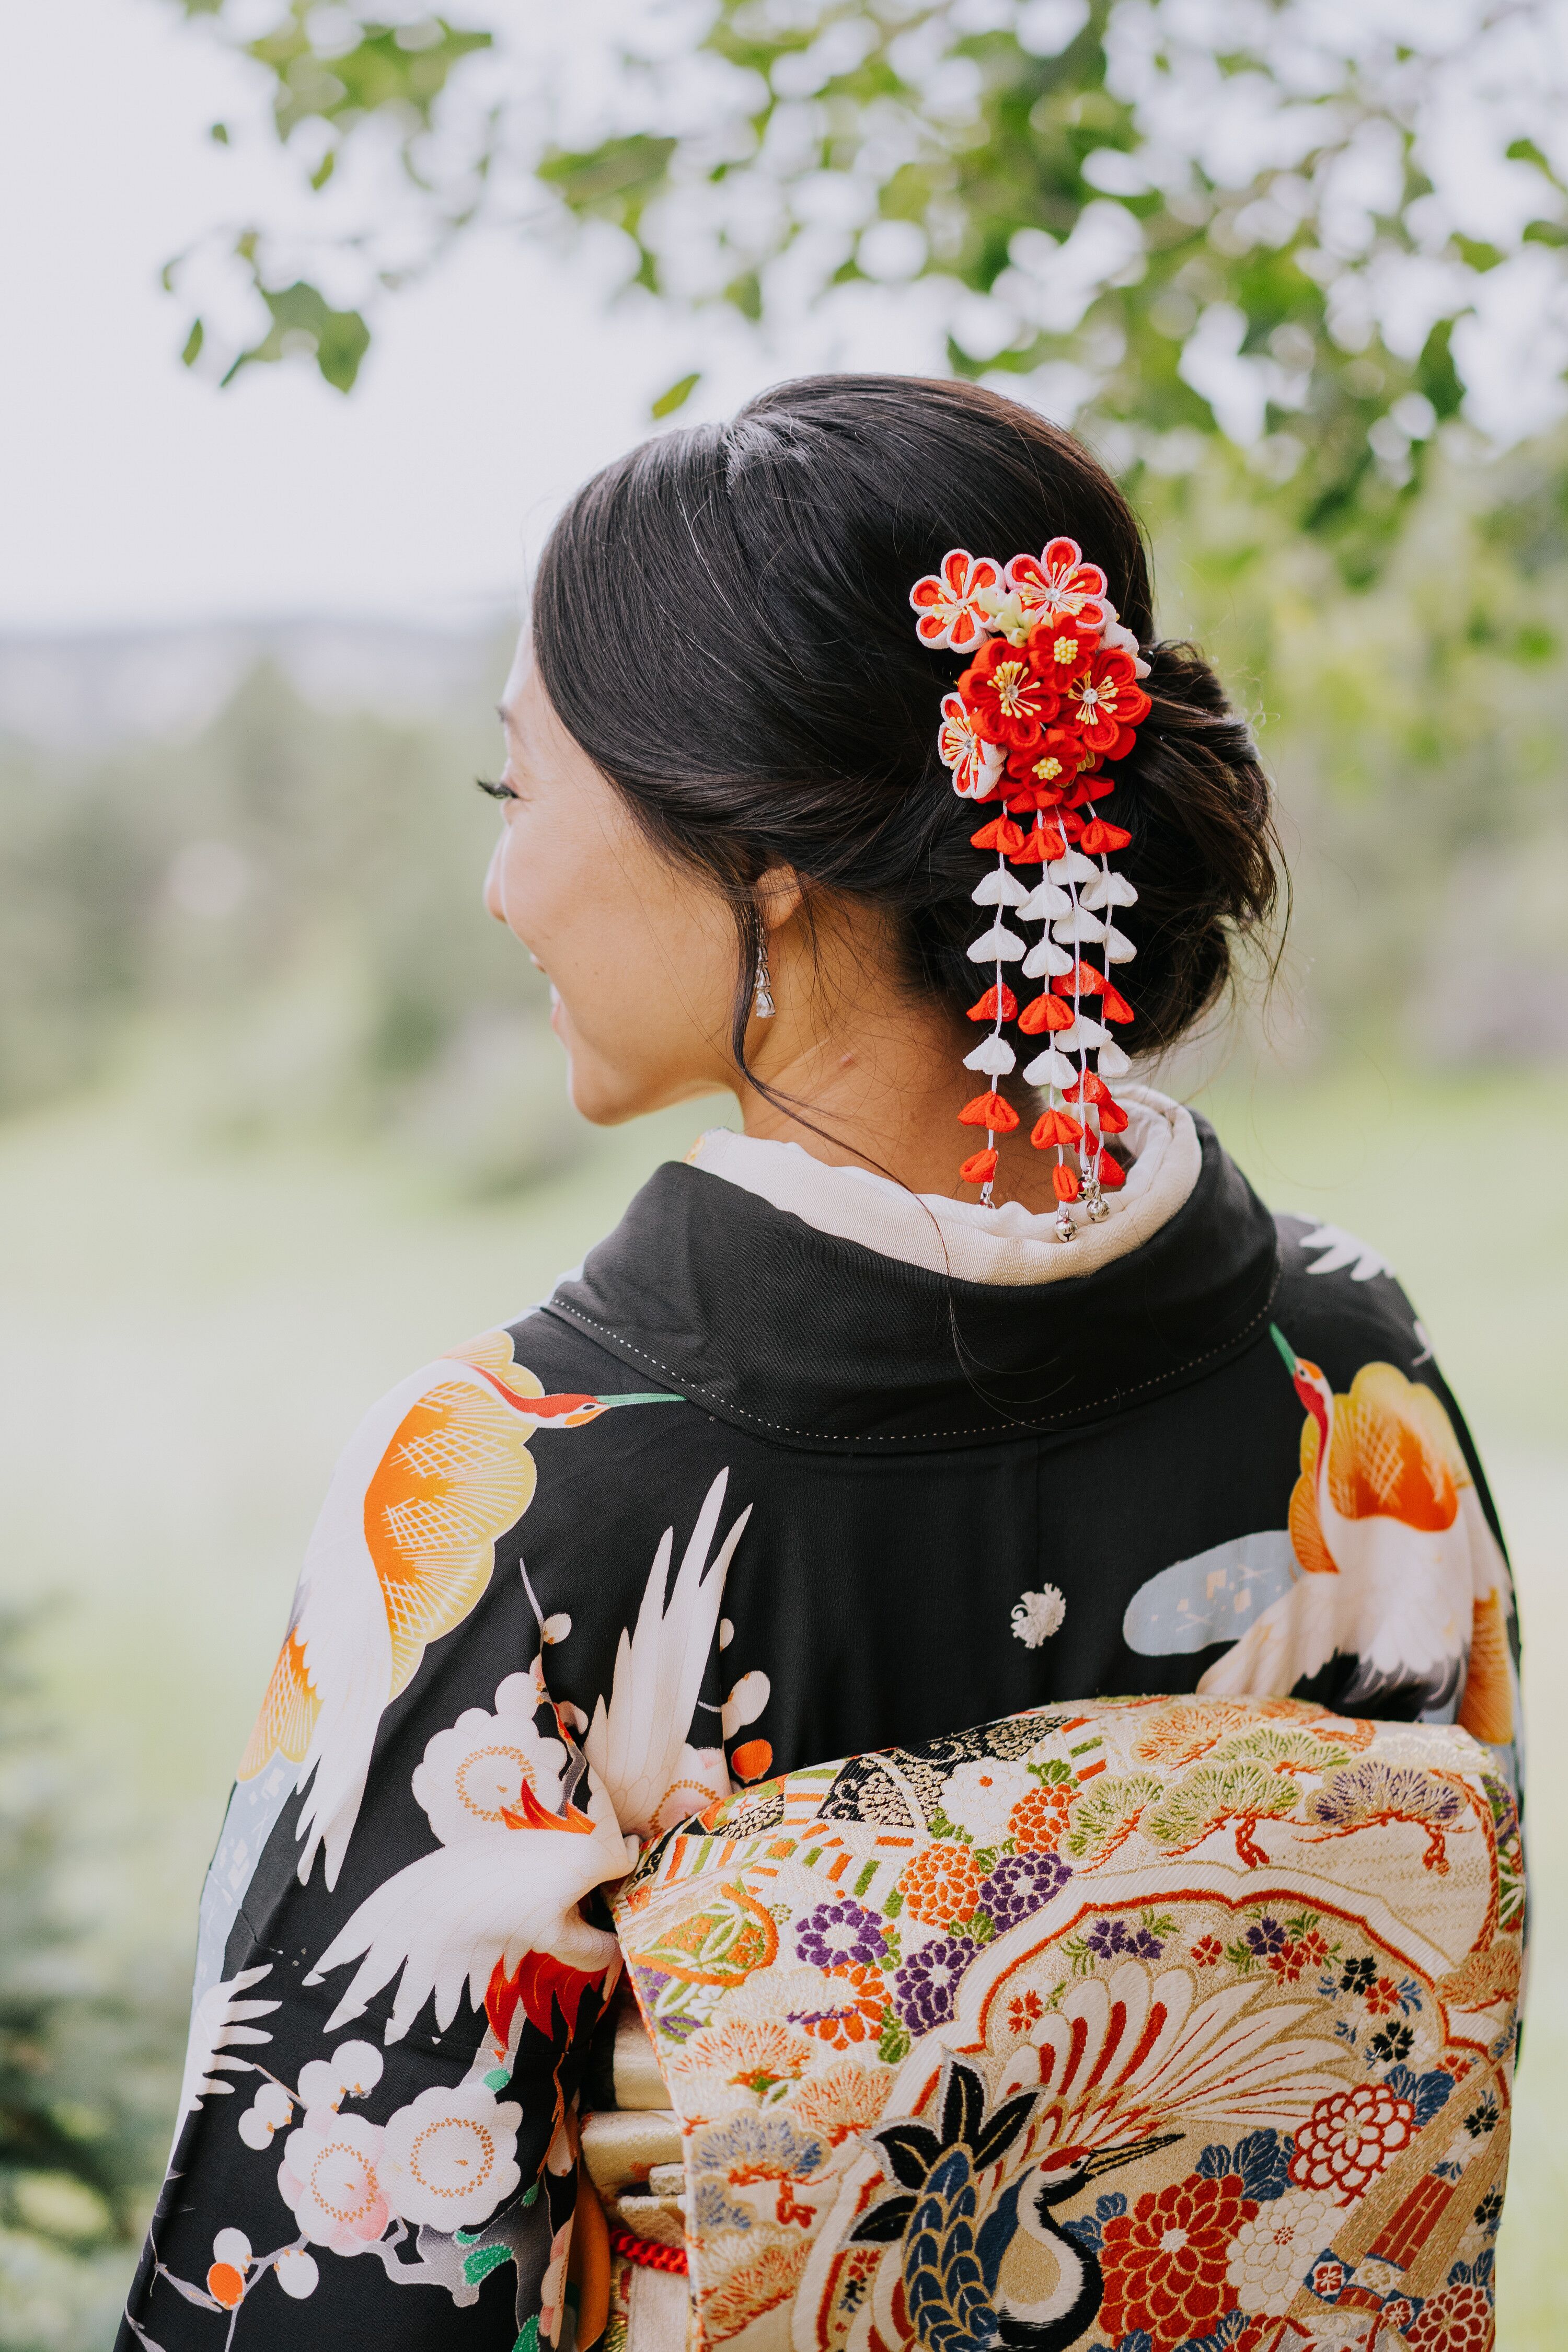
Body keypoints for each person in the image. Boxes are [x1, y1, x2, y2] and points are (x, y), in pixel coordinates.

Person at [119, 375, 1519, 2351]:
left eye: (524, 792)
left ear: (764, 859)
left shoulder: (529, 1495)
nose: (507, 882)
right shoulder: (1347, 1376)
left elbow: (324, 2286)